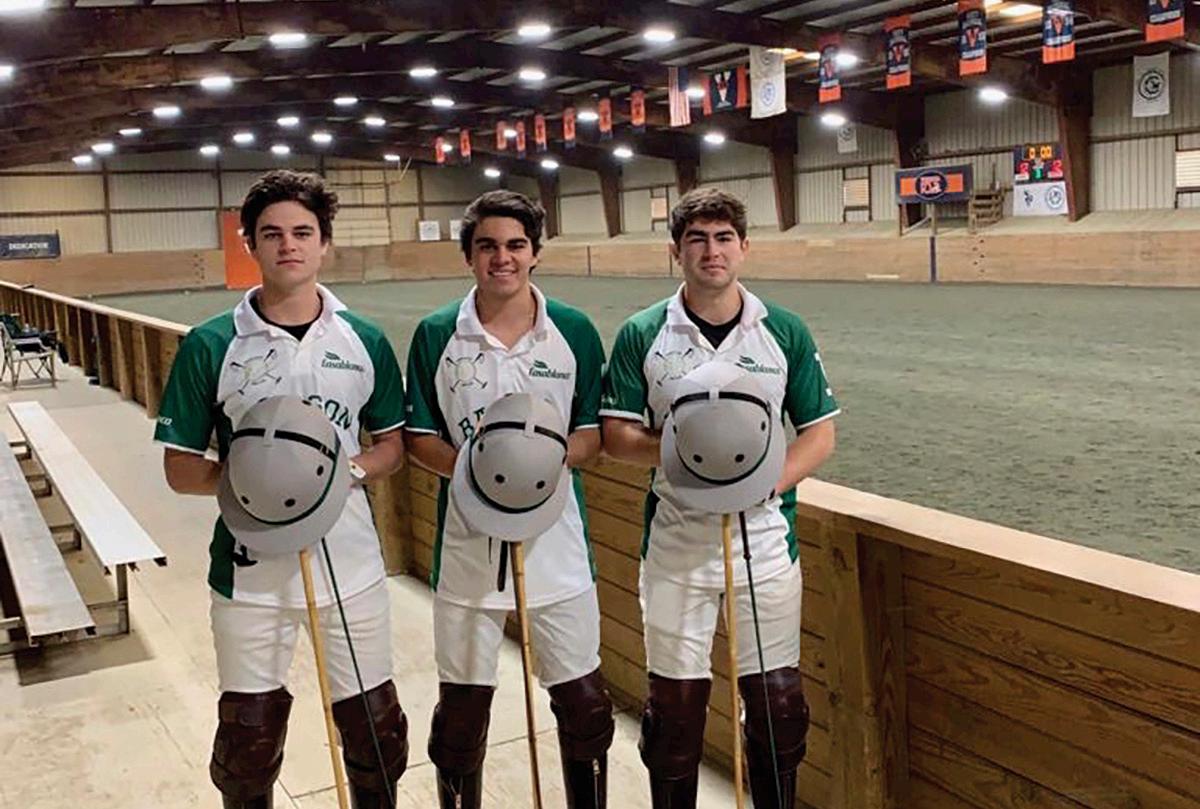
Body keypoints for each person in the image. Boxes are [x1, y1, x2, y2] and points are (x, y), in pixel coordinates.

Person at [154, 169, 409, 809]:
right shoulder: (211, 344)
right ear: (250, 244)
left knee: (377, 735)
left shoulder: (364, 340)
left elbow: (391, 446)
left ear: (325, 243)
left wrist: (341, 475)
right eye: (271, 234)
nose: (288, 245)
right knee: (247, 747)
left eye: (302, 232)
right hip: (249, 575)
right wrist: (256, 486)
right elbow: (180, 468)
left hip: (349, 565)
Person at [600, 187, 839, 808]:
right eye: (698, 240)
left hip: (765, 543)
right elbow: (617, 437)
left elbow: (819, 433)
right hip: (677, 545)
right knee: (673, 715)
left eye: (724, 238)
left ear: (744, 248)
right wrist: (693, 458)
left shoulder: (783, 330)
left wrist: (764, 481)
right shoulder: (642, 332)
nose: (712, 251)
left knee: (777, 707)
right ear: (675, 251)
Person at [403, 190, 614, 809]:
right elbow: (419, 436)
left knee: (585, 708)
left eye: (516, 245)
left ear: (535, 253)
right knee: (461, 717)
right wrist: (482, 478)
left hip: (558, 548)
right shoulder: (437, 333)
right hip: (467, 551)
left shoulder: (572, 330)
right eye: (488, 246)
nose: (503, 258)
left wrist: (535, 470)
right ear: (469, 256)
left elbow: (591, 432)